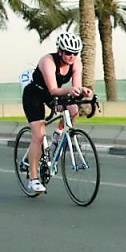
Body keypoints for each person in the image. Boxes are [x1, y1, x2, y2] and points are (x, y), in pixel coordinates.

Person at [21, 31, 94, 195]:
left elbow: (76, 86)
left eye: (75, 53)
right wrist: (69, 90)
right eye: (68, 53)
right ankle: (33, 179)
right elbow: (54, 89)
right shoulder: (48, 61)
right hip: (35, 94)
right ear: (60, 51)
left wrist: (83, 91)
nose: (71, 56)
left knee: (73, 109)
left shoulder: (76, 63)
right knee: (38, 136)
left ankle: (58, 136)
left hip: (53, 94)